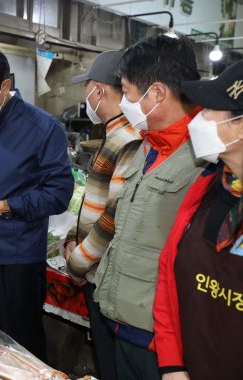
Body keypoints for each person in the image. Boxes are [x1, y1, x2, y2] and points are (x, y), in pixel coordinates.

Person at [91, 35, 208, 380]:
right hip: (123, 321)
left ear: (156, 94)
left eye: (127, 93)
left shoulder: (203, 158)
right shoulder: (148, 146)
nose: (125, 102)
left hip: (160, 340)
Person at [0, 46, 74, 361]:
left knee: (20, 351)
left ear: (5, 86)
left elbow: (59, 193)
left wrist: (3, 206)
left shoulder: (43, 128)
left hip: (16, 260)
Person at [153, 61, 243, 380]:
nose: (197, 120)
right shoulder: (205, 189)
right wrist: (172, 364)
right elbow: (168, 273)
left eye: (209, 111)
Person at [65, 50, 142, 380]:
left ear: (98, 90)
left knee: (112, 366)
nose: (86, 97)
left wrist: (78, 261)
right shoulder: (114, 133)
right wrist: (72, 238)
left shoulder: (128, 139)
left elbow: (113, 217)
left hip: (104, 279)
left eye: (87, 88)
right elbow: (94, 203)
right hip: (97, 271)